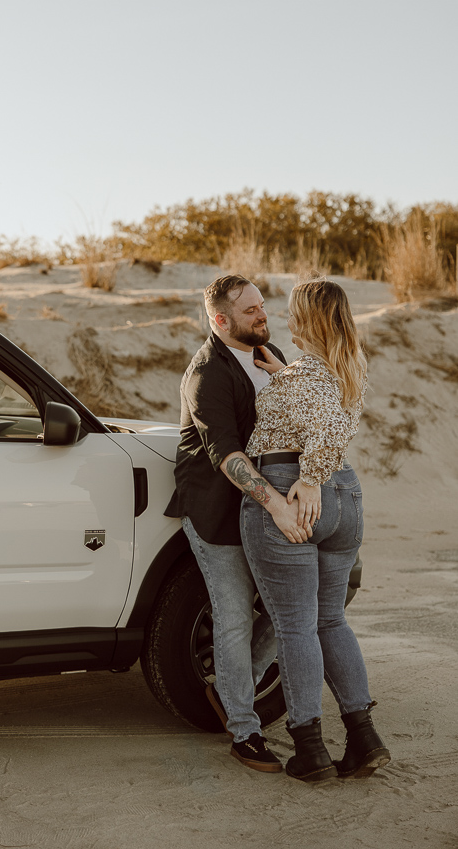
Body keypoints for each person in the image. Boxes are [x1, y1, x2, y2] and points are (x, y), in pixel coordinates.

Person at [231, 277, 390, 782]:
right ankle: (364, 740)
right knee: (330, 621)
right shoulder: (343, 367)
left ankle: (311, 750)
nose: (288, 320)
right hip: (348, 497)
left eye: (295, 313)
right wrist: (283, 376)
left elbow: (322, 427)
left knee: (295, 626)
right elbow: (324, 408)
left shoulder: (312, 377)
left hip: (295, 487)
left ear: (312, 319)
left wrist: (309, 477)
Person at [168, 273, 293, 773]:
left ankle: (232, 682)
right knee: (236, 615)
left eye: (262, 305)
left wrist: (287, 376)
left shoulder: (271, 354)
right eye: (250, 311)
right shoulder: (205, 375)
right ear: (220, 321)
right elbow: (228, 457)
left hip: (271, 507)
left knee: (293, 610)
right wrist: (277, 506)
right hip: (217, 512)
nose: (263, 315)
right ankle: (244, 731)